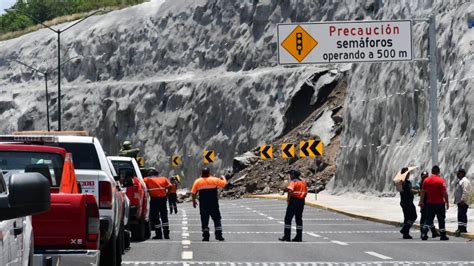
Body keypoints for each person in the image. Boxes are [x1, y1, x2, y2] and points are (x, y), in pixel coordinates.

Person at [192, 168, 227, 241]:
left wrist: (194, 201)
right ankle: (218, 235)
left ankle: (205, 236)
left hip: (203, 204)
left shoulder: (197, 181)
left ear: (202, 173)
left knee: (204, 219)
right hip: (213, 203)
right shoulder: (214, 180)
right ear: (209, 172)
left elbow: (193, 193)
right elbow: (224, 184)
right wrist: (223, 178)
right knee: (217, 218)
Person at [420, 165, 449, 241]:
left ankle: (424, 233)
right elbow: (444, 193)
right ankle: (443, 235)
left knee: (428, 219)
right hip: (439, 204)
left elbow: (423, 192)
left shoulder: (426, 181)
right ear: (438, 172)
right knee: (441, 219)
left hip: (429, 203)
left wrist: (421, 201)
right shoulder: (441, 181)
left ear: (432, 171)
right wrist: (447, 202)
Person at [279, 169, 308, 242]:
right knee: (299, 219)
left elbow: (290, 190)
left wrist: (288, 200)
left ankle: (287, 236)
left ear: (293, 175)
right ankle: (299, 237)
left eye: (290, 175)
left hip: (294, 201)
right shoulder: (303, 182)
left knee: (288, 219)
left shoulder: (293, 182)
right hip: (301, 201)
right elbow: (306, 192)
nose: (290, 176)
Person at [144, 170, 171, 239]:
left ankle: (159, 234)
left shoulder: (147, 179)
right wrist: (167, 194)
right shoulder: (164, 178)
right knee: (164, 216)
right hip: (163, 199)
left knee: (156, 217)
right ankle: (166, 234)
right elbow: (170, 186)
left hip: (154, 200)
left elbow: (142, 185)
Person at [417, 171, 439, 238]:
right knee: (424, 218)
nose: (425, 178)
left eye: (426, 176)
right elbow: (420, 191)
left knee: (429, 217)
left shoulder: (428, 182)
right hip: (424, 203)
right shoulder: (421, 184)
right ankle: (423, 233)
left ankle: (433, 232)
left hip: (429, 202)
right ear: (422, 177)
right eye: (424, 176)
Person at [398, 167, 418, 239]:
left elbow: (402, 191)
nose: (409, 174)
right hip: (408, 202)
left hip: (403, 202)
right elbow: (411, 191)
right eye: (408, 173)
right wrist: (418, 191)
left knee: (406, 218)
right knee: (413, 216)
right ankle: (404, 229)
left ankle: (406, 234)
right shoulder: (406, 182)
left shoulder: (400, 182)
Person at [454, 168, 471, 236]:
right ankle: (460, 228)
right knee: (460, 215)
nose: (457, 174)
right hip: (460, 201)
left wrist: (463, 199)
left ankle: (463, 228)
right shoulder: (460, 180)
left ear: (462, 173)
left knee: (462, 214)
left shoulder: (465, 181)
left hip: (463, 201)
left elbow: (465, 191)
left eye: (459, 173)